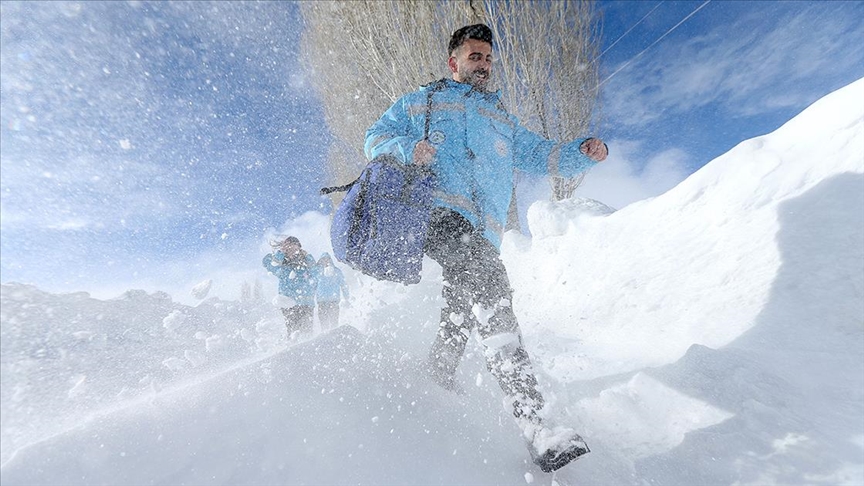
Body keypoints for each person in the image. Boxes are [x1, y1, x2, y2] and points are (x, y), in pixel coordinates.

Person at [364, 24, 608, 471]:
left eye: (488, 58)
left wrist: (582, 152)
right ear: (453, 62)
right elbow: (375, 137)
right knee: (493, 294)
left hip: (483, 234)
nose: (483, 65)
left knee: (460, 307)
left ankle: (435, 378)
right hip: (438, 215)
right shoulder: (422, 101)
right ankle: (537, 425)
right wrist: (407, 147)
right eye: (474, 56)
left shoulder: (500, 119)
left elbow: (542, 154)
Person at [262, 236, 317, 341]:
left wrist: (308, 256)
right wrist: (280, 253)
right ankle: (291, 347)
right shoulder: (282, 264)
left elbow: (316, 272)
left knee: (307, 332)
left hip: (306, 302)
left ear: (299, 247)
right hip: (288, 303)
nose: (291, 249)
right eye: (288, 247)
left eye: (293, 246)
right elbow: (268, 263)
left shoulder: (306, 262)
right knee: (292, 331)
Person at [314, 253, 350, 332]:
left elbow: (343, 284)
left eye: (327, 259)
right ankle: (324, 336)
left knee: (334, 322)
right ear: (320, 261)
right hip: (322, 302)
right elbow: (313, 285)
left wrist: (346, 296)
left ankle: (334, 335)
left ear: (330, 260)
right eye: (323, 260)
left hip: (334, 301)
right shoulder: (317, 272)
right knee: (324, 324)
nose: (326, 261)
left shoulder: (336, 271)